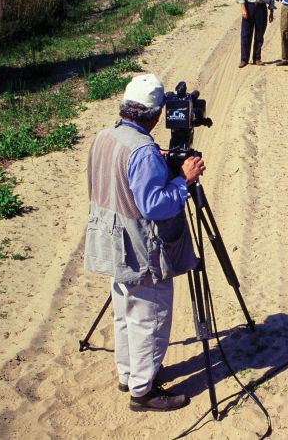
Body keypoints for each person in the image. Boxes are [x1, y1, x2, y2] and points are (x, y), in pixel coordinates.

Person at [84, 74, 206, 412]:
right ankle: (143, 391)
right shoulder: (142, 151)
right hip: (139, 250)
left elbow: (120, 177)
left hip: (111, 242)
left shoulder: (105, 136)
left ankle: (129, 374)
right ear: (152, 116)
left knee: (125, 313)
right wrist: (185, 179)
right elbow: (156, 205)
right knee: (149, 317)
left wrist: (156, 160)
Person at [237, 0, 275, 68]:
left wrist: (271, 11)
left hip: (262, 9)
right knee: (246, 34)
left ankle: (257, 58)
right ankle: (244, 59)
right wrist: (243, 9)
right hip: (249, 7)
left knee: (259, 35)